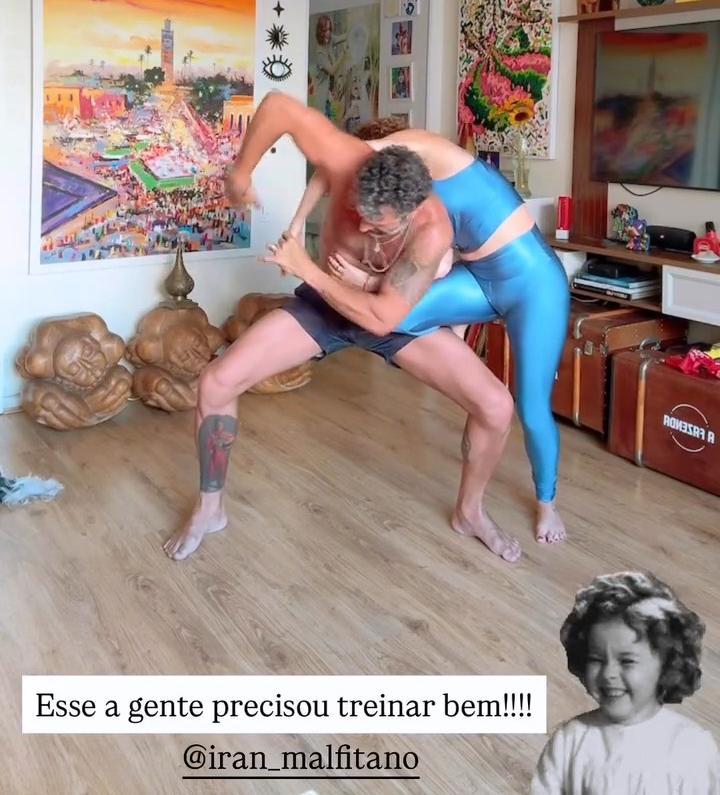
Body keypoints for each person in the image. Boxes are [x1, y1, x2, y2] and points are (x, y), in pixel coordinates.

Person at [226, 92, 570, 544]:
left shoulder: (421, 154)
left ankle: (546, 503)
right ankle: (321, 333)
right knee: (384, 318)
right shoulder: (391, 185)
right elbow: (332, 171)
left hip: (533, 284)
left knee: (530, 404)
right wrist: (296, 224)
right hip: (476, 277)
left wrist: (360, 277)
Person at [164, 137, 519, 564]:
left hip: (391, 320)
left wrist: (307, 268)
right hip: (326, 309)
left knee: (496, 406)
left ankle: (470, 512)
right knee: (216, 382)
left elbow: (382, 318)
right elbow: (294, 129)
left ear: (410, 212)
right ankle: (210, 508)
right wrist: (298, 223)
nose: (365, 229)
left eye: (379, 226)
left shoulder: (433, 230)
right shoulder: (350, 170)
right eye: (361, 215)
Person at [531, 570, 720, 793]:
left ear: (666, 664)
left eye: (627, 661)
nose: (608, 673)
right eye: (597, 660)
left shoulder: (692, 747)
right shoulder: (570, 741)